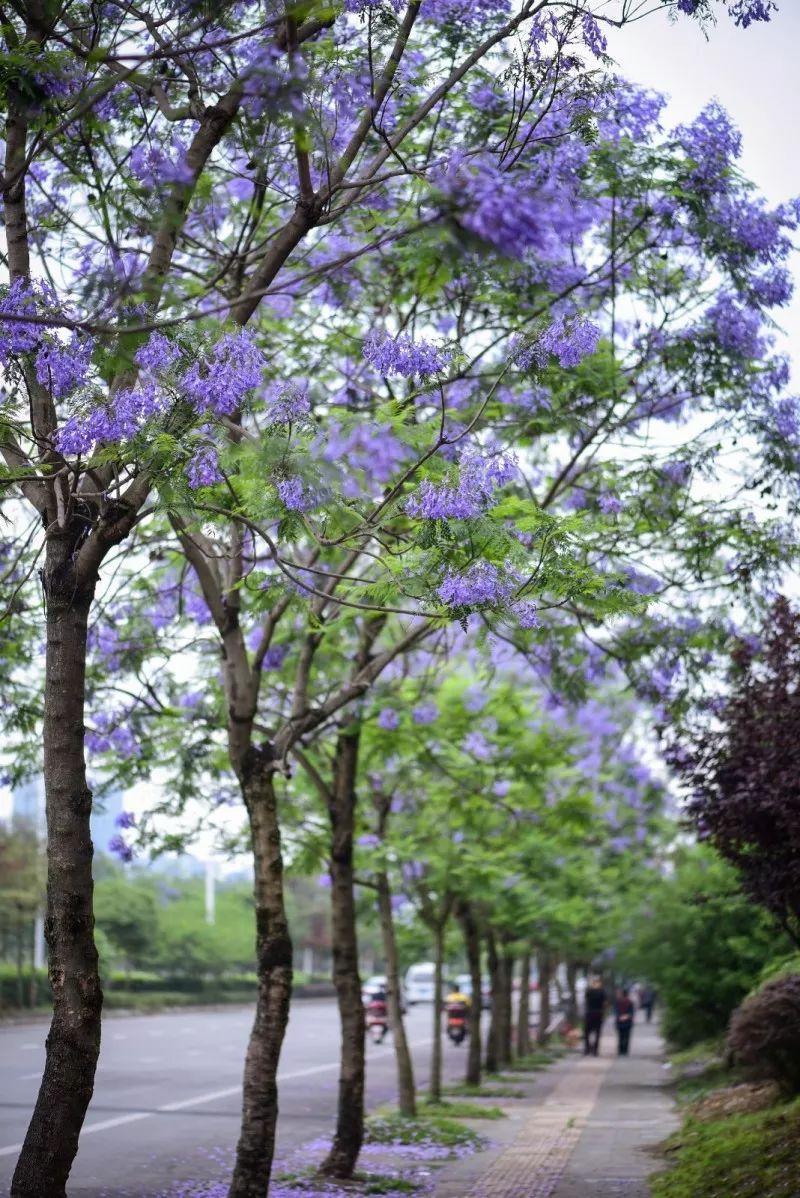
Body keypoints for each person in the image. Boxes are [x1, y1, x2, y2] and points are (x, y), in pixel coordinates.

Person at [583, 975, 606, 1056]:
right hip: (597, 1013)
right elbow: (604, 1003)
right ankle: (593, 1050)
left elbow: (586, 999)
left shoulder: (590, 991)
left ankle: (588, 1049)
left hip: (591, 1013)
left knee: (588, 1032)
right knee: (595, 1033)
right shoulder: (602, 991)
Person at [615, 986, 635, 1056]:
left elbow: (631, 1012)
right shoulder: (618, 1002)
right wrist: (621, 1017)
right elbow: (616, 1011)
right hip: (621, 1022)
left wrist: (625, 1016)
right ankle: (621, 1051)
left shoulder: (629, 1002)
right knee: (621, 1037)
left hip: (626, 1022)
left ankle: (624, 1051)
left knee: (625, 1037)